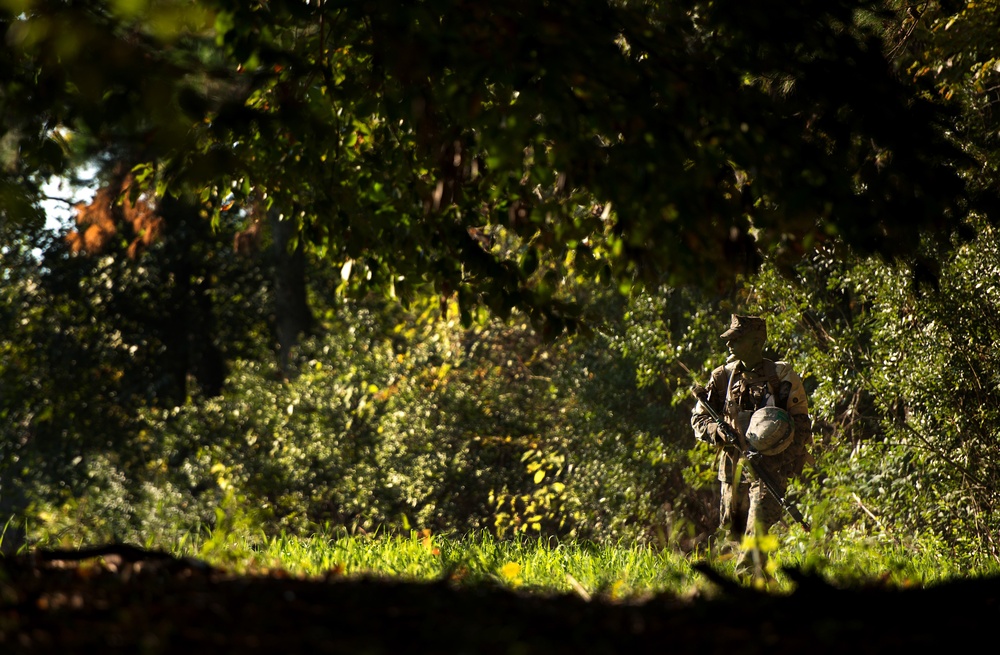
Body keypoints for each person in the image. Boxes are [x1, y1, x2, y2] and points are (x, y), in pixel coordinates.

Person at [691, 314, 812, 575]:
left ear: (757, 342)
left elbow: (801, 425)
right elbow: (697, 418)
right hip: (733, 473)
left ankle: (743, 587)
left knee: (754, 537)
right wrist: (717, 430)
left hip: (769, 471)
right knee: (736, 539)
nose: (729, 345)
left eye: (737, 339)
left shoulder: (782, 376)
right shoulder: (722, 377)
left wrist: (778, 460)